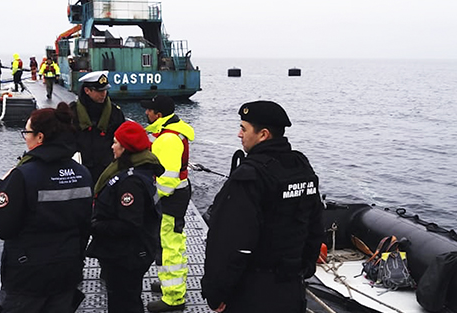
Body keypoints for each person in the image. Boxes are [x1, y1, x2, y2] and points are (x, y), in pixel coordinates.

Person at [200, 101, 324, 313]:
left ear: (263, 135)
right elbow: (314, 223)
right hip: (291, 288)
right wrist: (304, 268)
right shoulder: (301, 166)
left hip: (252, 290)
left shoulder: (250, 176)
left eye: (243, 128)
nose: (239, 134)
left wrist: (216, 291)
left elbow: (230, 242)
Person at [0, 102, 93, 313]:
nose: (25, 137)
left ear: (40, 137)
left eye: (27, 132)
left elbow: (3, 227)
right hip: (67, 270)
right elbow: (85, 225)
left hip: (28, 277)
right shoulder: (83, 173)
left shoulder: (23, 175)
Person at [86, 121, 164, 313]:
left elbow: (129, 224)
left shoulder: (130, 182)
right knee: (128, 298)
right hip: (133, 251)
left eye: (115, 143)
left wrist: (94, 225)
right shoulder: (140, 171)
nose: (112, 146)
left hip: (126, 255)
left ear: (126, 147)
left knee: (124, 301)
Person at [140, 95, 195, 312]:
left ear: (159, 114)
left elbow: (168, 179)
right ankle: (168, 284)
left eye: (149, 110)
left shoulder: (168, 139)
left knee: (171, 248)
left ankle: (174, 297)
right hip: (174, 195)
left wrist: (150, 200)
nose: (146, 113)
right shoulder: (167, 133)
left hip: (170, 199)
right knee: (165, 244)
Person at [69, 71, 125, 181]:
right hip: (79, 169)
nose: (103, 94)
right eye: (99, 90)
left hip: (107, 169)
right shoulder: (72, 113)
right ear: (87, 91)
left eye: (105, 90)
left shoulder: (115, 113)